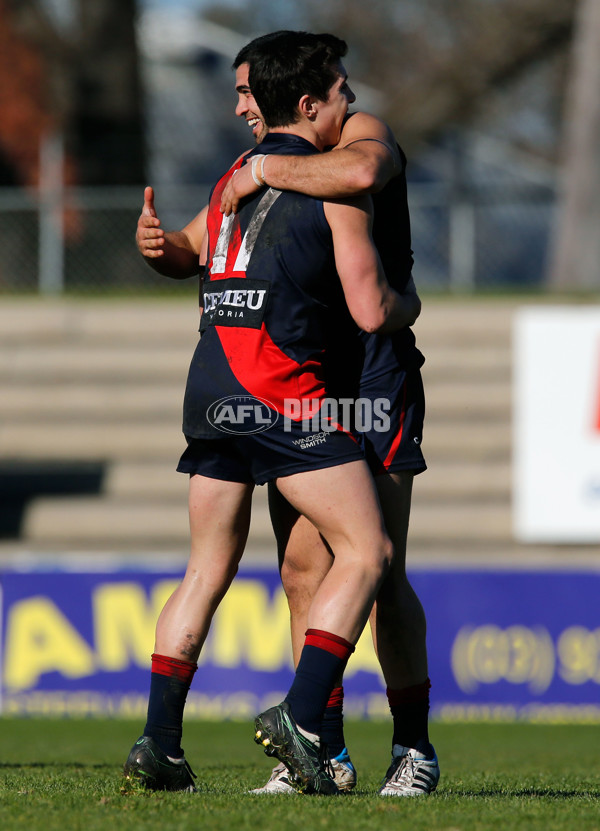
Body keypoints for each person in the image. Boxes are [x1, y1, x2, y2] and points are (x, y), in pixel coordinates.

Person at [136, 31, 439, 799]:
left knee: (383, 563)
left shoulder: (353, 138)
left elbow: (363, 169)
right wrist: (165, 246)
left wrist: (269, 165)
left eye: (247, 93)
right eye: (240, 93)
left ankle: (413, 748)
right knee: (304, 565)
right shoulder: (250, 167)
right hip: (303, 370)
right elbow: (199, 250)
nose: (241, 107)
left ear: (294, 100)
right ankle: (321, 751)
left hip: (369, 368)